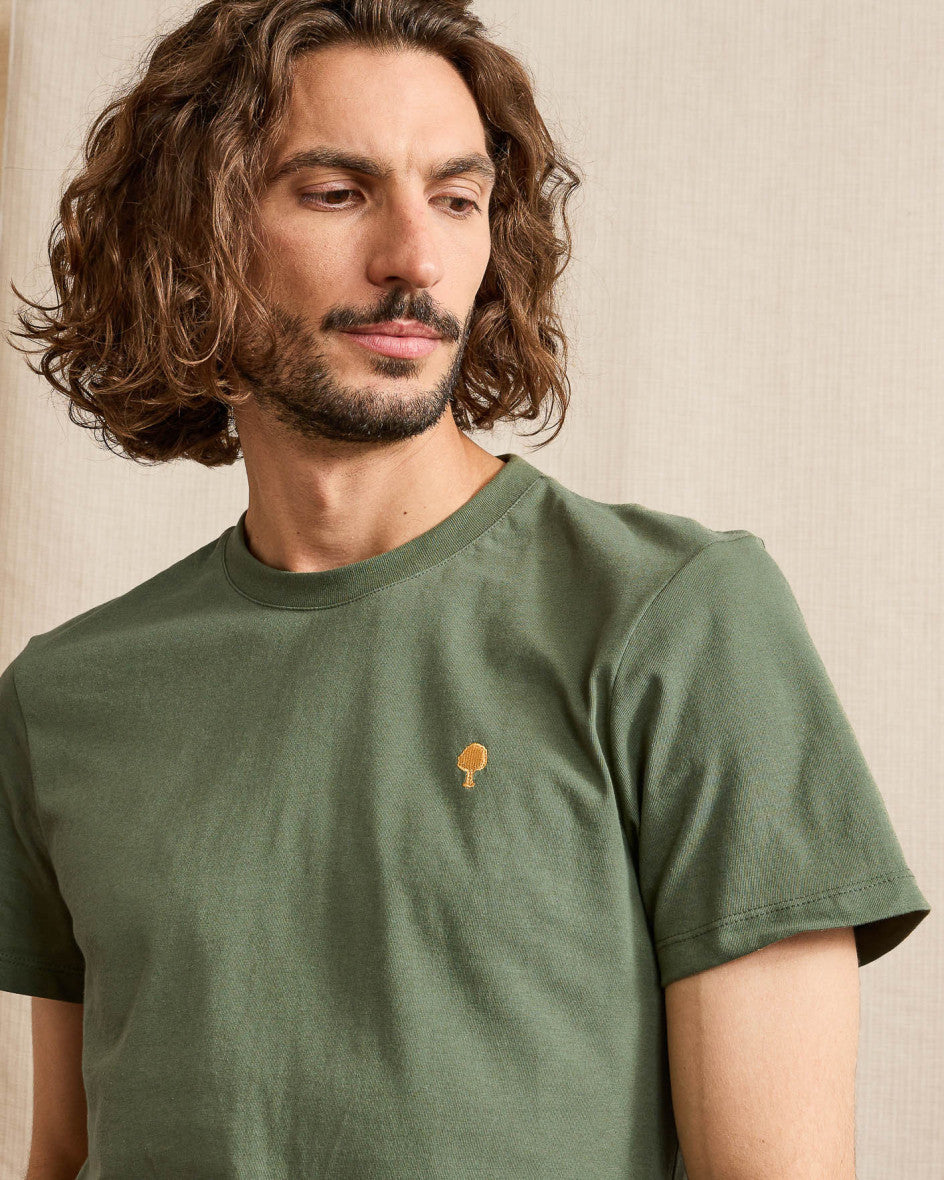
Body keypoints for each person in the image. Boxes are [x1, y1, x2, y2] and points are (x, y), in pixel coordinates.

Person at [0, 2, 930, 1177]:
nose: (414, 258)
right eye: (335, 193)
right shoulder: (66, 698)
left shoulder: (676, 619)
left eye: (454, 198)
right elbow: (67, 1150)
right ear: (191, 240)